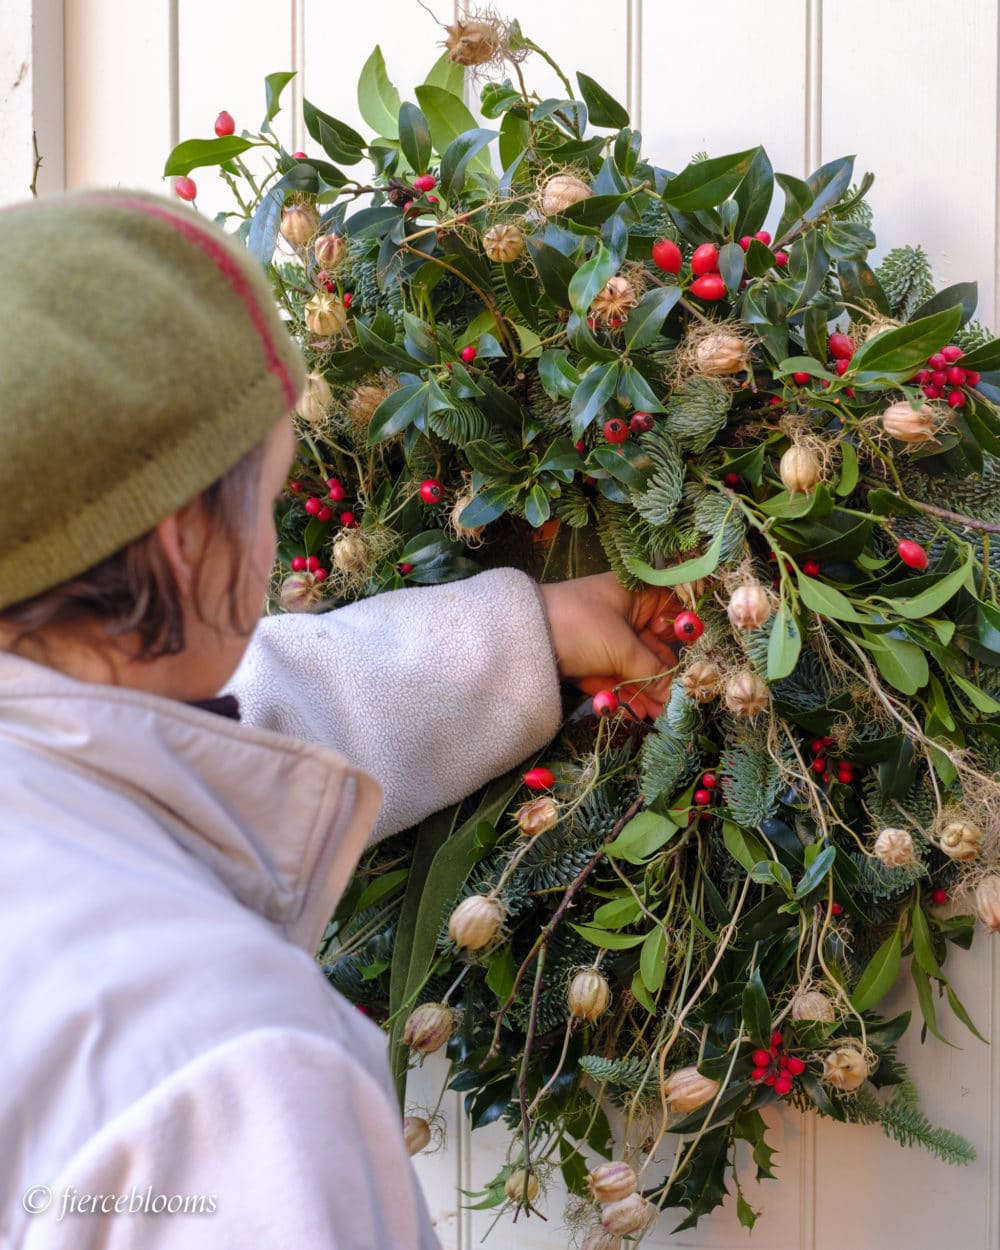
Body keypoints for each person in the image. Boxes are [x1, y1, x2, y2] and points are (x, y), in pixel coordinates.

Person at [0, 190, 678, 1249]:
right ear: (184, 545)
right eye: (267, 500)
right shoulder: (229, 1070)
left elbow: (213, 731)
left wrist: (520, 633)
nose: (271, 554)